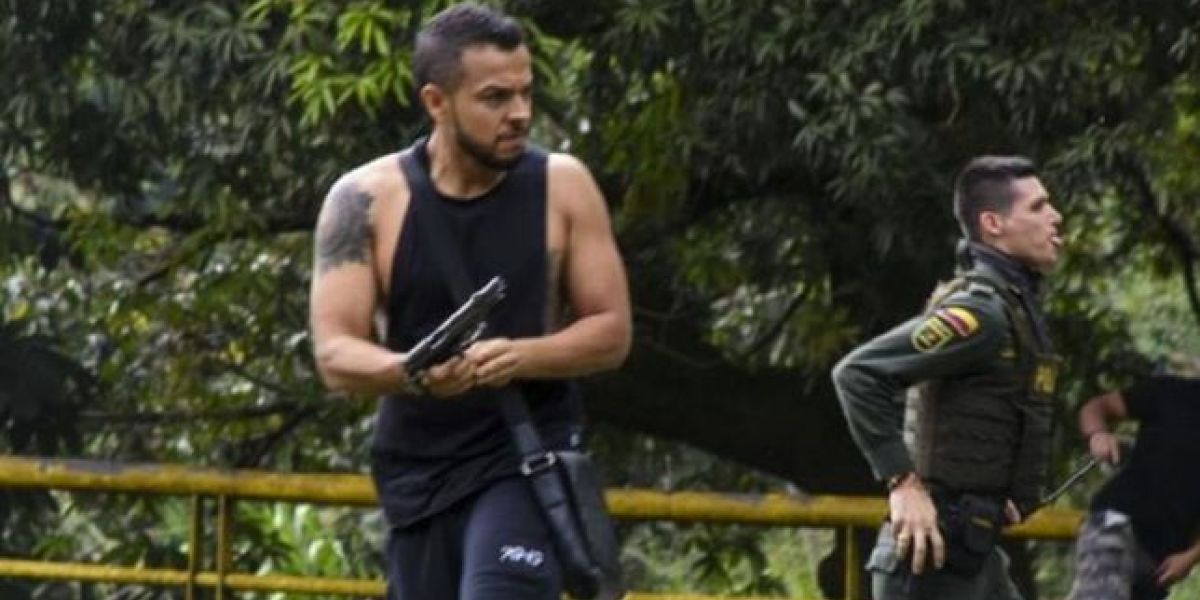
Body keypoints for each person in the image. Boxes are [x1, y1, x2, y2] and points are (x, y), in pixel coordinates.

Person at [307, 4, 632, 599]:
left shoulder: (564, 186)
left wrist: (522, 356)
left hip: (527, 458)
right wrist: (411, 373)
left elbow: (611, 331)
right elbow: (334, 353)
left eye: (526, 93)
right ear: (437, 101)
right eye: (495, 97)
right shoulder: (363, 200)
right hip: (418, 475)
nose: (519, 114)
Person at [832, 155, 1064, 599]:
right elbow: (857, 374)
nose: (1055, 217)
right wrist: (903, 483)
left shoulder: (1017, 310)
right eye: (1038, 207)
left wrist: (1000, 491)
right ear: (993, 224)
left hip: (974, 554)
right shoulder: (981, 314)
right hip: (928, 561)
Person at [1066, 375, 1200, 600]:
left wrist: (1191, 556)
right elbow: (1097, 407)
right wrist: (1097, 435)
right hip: (1116, 522)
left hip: (1162, 559)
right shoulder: (1170, 391)